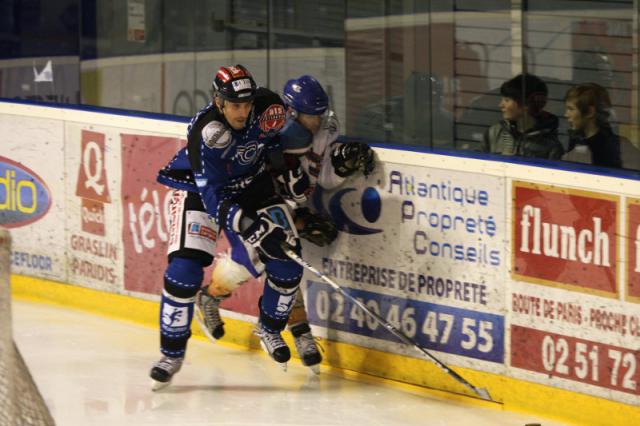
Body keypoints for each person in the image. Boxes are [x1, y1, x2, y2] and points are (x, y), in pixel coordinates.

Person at [195, 75, 375, 373]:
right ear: (290, 111)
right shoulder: (268, 133)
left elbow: (320, 175)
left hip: (284, 206)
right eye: (309, 116)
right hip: (253, 206)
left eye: (319, 115)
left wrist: (343, 164)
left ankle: (296, 329)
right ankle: (211, 297)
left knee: (288, 262)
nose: (315, 122)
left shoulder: (320, 131)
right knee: (253, 261)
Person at [150, 64, 304, 390]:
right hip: (201, 192)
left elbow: (275, 142)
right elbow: (213, 196)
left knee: (288, 262)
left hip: (252, 186)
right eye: (235, 105)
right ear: (219, 102)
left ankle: (270, 327)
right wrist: (246, 223)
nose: (242, 111)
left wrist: (282, 165)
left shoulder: (269, 108)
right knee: (184, 273)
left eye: (247, 104)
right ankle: (171, 354)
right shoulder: (206, 132)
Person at [482, 73, 564, 159]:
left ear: (526, 104)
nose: (501, 105)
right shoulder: (494, 132)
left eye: (507, 100)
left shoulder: (550, 145)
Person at [563, 83, 622, 168]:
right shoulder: (576, 139)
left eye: (571, 109)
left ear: (590, 112)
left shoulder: (609, 148)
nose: (566, 115)